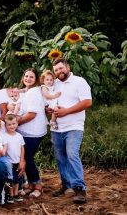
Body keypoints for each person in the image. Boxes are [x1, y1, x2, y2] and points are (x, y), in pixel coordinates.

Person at [50, 58, 92, 204]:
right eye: (56, 70)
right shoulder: (54, 84)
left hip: (74, 126)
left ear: (68, 67)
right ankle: (66, 185)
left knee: (72, 154)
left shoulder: (79, 82)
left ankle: (80, 188)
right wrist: (49, 109)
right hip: (56, 128)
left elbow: (87, 102)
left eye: (61, 68)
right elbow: (50, 101)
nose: (58, 72)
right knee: (60, 158)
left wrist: (66, 111)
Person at [17, 68, 48, 198]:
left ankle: (38, 186)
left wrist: (15, 123)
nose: (28, 79)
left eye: (31, 77)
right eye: (26, 76)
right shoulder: (28, 91)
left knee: (28, 158)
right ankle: (30, 184)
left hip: (32, 132)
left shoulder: (33, 93)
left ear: (35, 80)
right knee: (25, 158)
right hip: (27, 131)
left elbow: (31, 114)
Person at [4, 114, 25, 203]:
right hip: (9, 162)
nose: (12, 126)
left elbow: (22, 148)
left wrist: (21, 160)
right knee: (10, 180)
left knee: (17, 179)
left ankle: (16, 194)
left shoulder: (19, 136)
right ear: (5, 126)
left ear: (17, 123)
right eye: (9, 124)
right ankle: (10, 195)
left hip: (17, 161)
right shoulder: (4, 136)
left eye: (13, 123)